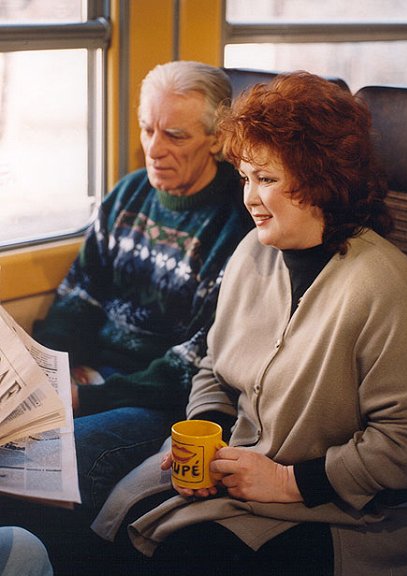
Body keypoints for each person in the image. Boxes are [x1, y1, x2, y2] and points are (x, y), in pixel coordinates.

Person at [91, 71, 407, 576]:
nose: (249, 198)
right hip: (244, 471)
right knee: (116, 525)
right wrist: (210, 431)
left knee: (182, 555)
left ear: (321, 181)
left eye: (268, 180)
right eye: (245, 177)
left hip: (343, 508)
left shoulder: (383, 284)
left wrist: (289, 481)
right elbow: (214, 368)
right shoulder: (251, 254)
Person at [30, 60, 252, 511]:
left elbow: (193, 366)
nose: (154, 148)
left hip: (157, 402)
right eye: (147, 129)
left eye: (175, 135)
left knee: (58, 459)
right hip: (89, 377)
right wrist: (44, 374)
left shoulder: (238, 226)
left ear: (216, 139)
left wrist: (87, 399)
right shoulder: (127, 196)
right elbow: (78, 300)